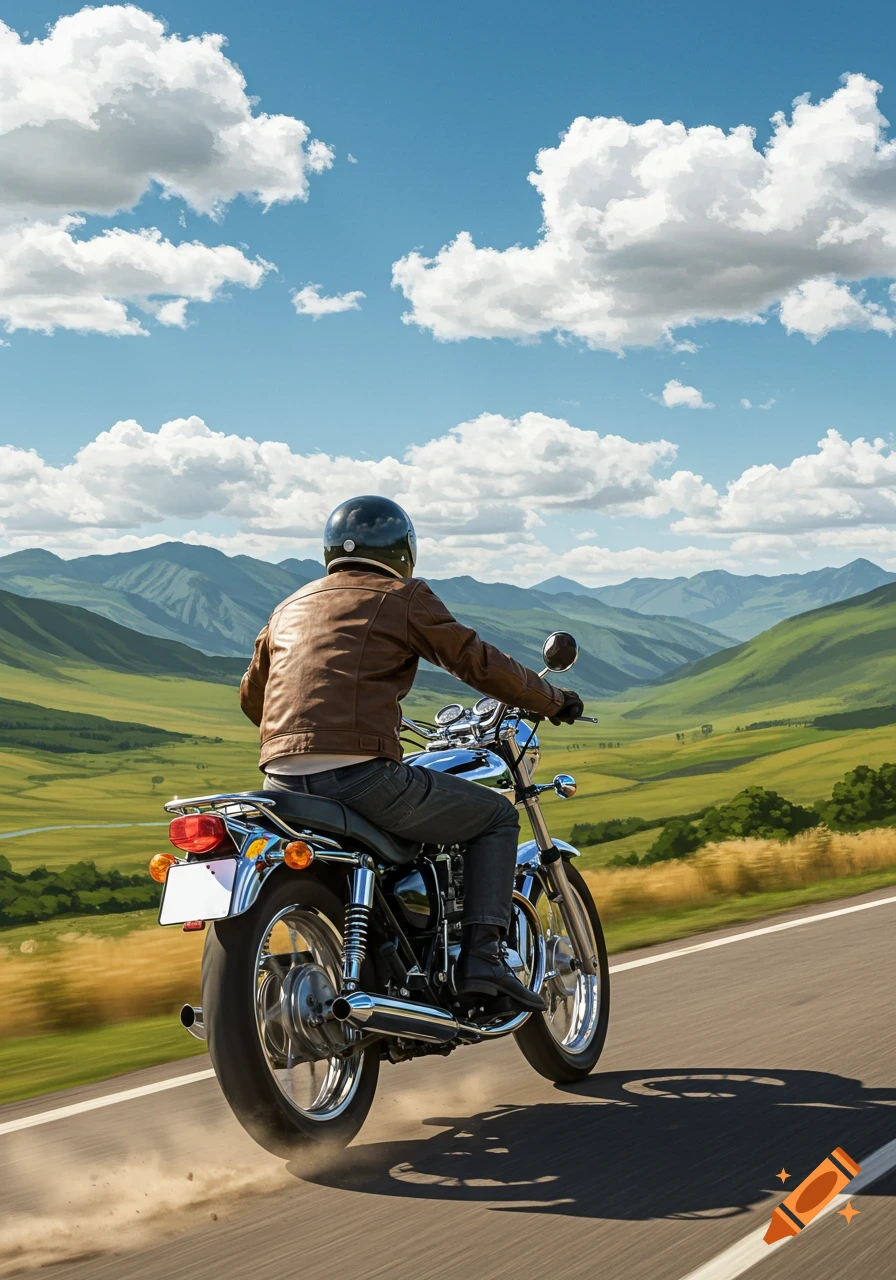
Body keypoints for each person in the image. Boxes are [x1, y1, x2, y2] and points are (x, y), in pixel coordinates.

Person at [240, 495, 584, 1012]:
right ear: (403, 550)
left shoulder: (290, 606)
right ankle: (482, 961)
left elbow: (253, 699)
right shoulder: (402, 596)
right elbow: (476, 662)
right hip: (359, 778)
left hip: (281, 784)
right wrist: (552, 699)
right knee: (493, 815)